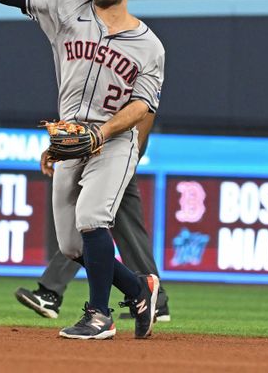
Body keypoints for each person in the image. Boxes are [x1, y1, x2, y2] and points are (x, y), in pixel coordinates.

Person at [0, 0, 165, 340]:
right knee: (72, 244)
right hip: (70, 139)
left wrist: (101, 133)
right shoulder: (66, 9)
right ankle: (137, 288)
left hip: (113, 141)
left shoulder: (149, 45)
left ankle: (100, 315)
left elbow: (142, 107)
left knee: (93, 218)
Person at [15, 89, 170, 322]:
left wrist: (130, 160)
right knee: (106, 226)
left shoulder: (143, 55)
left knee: (89, 222)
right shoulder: (102, 62)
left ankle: (52, 291)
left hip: (117, 151)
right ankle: (152, 298)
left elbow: (146, 110)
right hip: (97, 149)